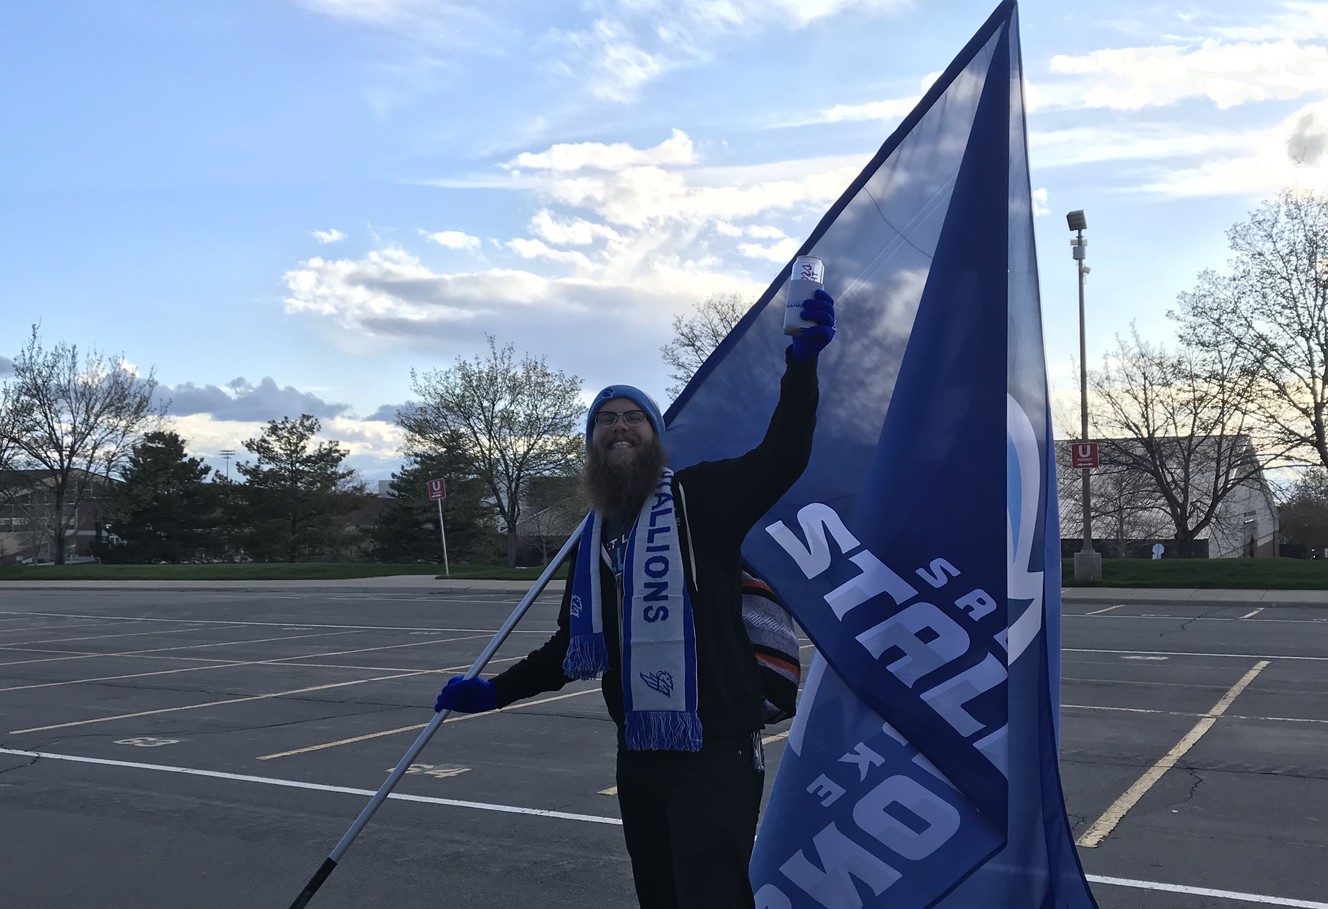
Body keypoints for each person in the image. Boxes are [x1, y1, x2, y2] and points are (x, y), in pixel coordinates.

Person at [433, 289, 836, 908]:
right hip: (639, 751)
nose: (619, 427)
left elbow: (782, 456)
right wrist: (495, 691)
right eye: (605, 420)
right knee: (659, 895)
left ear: (654, 435)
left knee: (712, 897)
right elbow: (571, 648)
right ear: (592, 442)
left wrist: (801, 367)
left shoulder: (700, 500)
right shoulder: (593, 537)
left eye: (633, 417)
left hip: (714, 746)